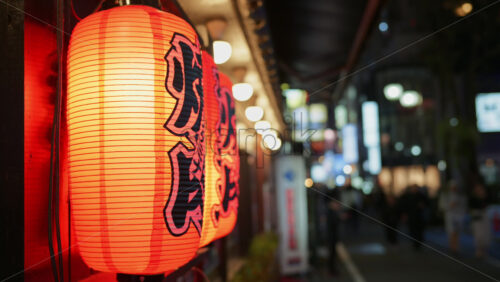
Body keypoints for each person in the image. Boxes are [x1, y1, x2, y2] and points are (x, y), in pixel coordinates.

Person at [439, 180, 467, 254]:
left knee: (457, 232)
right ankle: (452, 247)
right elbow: (442, 206)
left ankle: (456, 247)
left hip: (459, 215)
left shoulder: (460, 195)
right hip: (450, 215)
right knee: (451, 231)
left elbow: (464, 206)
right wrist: (450, 206)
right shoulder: (445, 195)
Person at [400, 184, 429, 250]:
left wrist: (423, 205)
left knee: (419, 231)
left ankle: (418, 243)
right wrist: (404, 214)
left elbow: (427, 203)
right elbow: (403, 205)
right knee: (412, 230)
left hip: (419, 217)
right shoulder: (407, 196)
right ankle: (414, 243)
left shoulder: (421, 196)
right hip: (411, 217)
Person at [469, 181, 491, 258]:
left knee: (486, 234)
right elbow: (473, 208)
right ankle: (479, 250)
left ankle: (484, 250)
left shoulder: (485, 198)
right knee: (478, 234)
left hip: (484, 218)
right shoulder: (473, 198)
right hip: (477, 218)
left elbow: (486, 206)